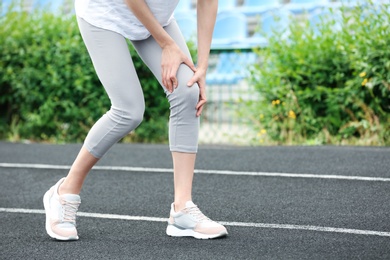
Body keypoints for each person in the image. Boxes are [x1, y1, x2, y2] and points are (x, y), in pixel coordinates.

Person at [43, 0, 228, 241]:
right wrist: (167, 43)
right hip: (105, 11)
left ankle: (182, 210)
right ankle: (64, 192)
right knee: (128, 111)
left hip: (155, 17)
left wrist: (202, 66)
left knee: (187, 91)